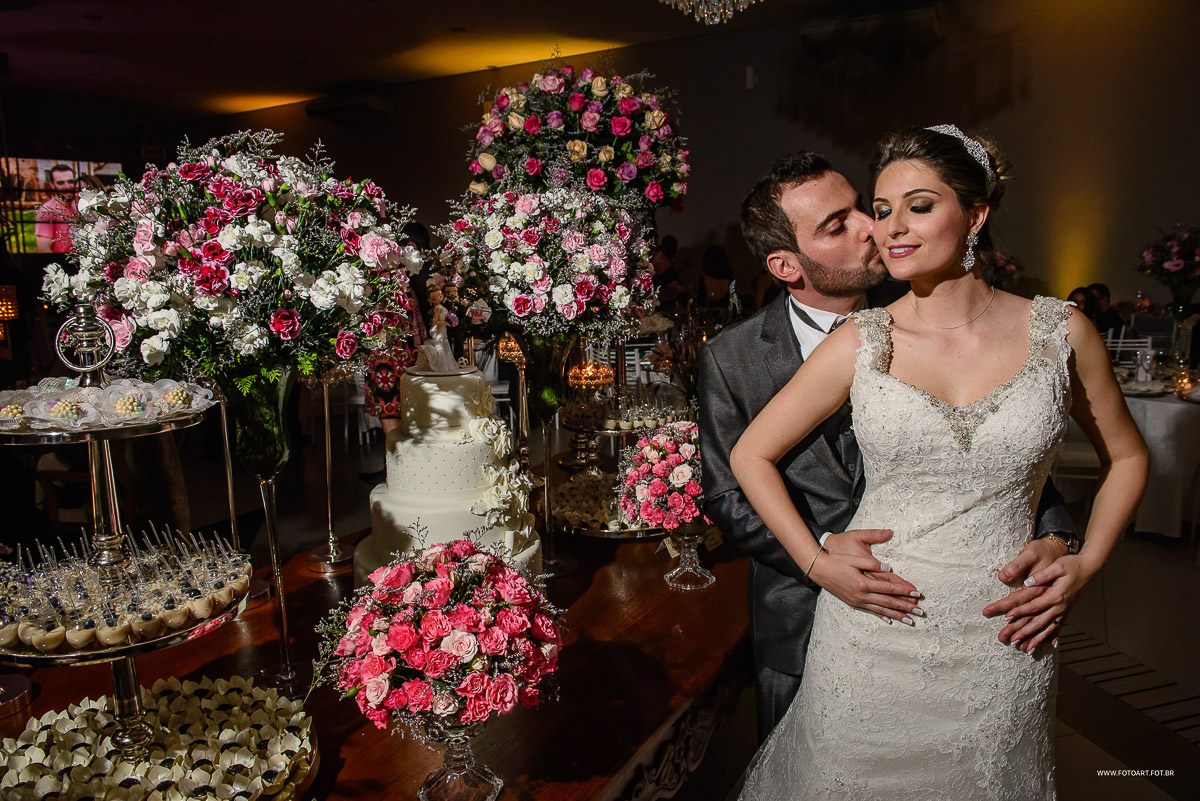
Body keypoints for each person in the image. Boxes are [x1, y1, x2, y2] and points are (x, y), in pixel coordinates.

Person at [730, 127, 1148, 798]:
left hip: (1003, 638)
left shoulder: (1062, 333)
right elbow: (751, 452)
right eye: (883, 207)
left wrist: (1087, 559)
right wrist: (817, 562)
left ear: (976, 214)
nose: (891, 226)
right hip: (870, 636)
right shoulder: (862, 340)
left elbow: (1127, 454)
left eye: (918, 206)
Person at [699, 151, 1078, 746]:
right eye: (837, 225)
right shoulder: (733, 357)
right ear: (785, 265)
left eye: (861, 208)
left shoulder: (937, 309)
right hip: (800, 613)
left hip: (963, 610)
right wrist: (820, 555)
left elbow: (1005, 451)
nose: (871, 228)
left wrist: (1058, 537)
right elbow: (727, 488)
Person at [34, 164, 78, 253]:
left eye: (70, 182)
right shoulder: (46, 211)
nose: (67, 186)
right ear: (52, 185)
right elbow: (43, 249)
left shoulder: (76, 207)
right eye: (60, 183)